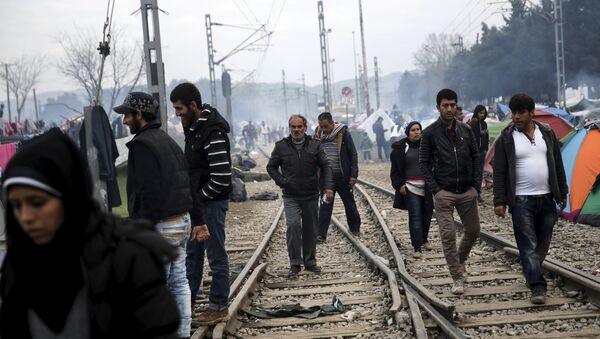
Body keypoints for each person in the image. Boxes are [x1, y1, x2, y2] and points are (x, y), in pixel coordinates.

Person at [0, 128, 180, 338]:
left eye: (37, 202)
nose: (25, 216)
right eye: (16, 205)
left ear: (69, 198)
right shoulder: (18, 267)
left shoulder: (127, 258)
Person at [114, 92, 193, 338]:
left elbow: (149, 192)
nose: (125, 120)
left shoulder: (142, 145)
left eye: (127, 114)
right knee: (179, 283)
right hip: (181, 222)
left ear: (139, 114)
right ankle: (182, 333)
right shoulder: (167, 140)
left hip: (162, 227)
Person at [493, 93, 568, 305]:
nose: (515, 117)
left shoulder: (547, 133)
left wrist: (562, 191)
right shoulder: (506, 138)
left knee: (542, 245)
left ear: (531, 113)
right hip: (521, 201)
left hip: (546, 198)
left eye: (520, 113)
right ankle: (537, 286)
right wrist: (500, 201)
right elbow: (499, 172)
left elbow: (557, 163)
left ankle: (531, 271)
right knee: (527, 245)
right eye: (513, 113)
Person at [170, 82, 232, 325]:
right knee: (192, 256)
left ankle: (218, 306)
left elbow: (221, 178)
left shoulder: (212, 132)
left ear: (193, 105)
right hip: (198, 207)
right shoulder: (195, 128)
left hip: (212, 204)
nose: (177, 114)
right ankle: (189, 301)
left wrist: (198, 199)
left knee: (215, 255)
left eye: (179, 109)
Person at [419, 88, 481, 295]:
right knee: (448, 235)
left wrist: (476, 187)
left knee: (473, 231)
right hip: (444, 192)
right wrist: (435, 190)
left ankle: (459, 261)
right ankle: (457, 277)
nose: (449, 109)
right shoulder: (429, 133)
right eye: (445, 105)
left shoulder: (466, 130)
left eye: (452, 105)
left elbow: (476, 157)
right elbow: (423, 164)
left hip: (466, 191)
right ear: (438, 108)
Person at [267, 114, 334, 278]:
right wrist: (283, 182)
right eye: (293, 127)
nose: (296, 130)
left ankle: (310, 262)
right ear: (289, 128)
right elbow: (271, 167)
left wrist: (328, 187)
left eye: (299, 127)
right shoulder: (281, 146)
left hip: (311, 195)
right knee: (294, 226)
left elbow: (326, 167)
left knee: (311, 230)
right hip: (291, 196)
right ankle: (295, 263)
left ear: (305, 128)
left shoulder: (315, 145)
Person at [313, 112, 361, 241]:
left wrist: (353, 174)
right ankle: (321, 234)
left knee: (349, 202)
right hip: (325, 178)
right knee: (325, 205)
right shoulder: (316, 135)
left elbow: (353, 153)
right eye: (321, 126)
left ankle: (355, 228)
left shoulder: (342, 132)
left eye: (326, 126)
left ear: (332, 122)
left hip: (342, 176)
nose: (324, 130)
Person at [390, 121, 433, 258]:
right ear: (408, 133)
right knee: (415, 216)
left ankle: (424, 239)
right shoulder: (401, 149)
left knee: (427, 215)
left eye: (418, 129)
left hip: (426, 187)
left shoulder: (427, 146)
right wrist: (400, 185)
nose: (416, 132)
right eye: (413, 130)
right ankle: (417, 246)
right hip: (410, 188)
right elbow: (395, 172)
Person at [469, 105, 490, 202]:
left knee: (480, 173)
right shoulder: (473, 122)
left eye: (483, 113)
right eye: (480, 113)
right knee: (472, 172)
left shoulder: (485, 124)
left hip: (482, 152)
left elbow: (486, 137)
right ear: (476, 113)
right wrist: (479, 134)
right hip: (473, 152)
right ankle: (471, 193)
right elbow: (469, 135)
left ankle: (478, 193)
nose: (482, 115)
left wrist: (486, 148)